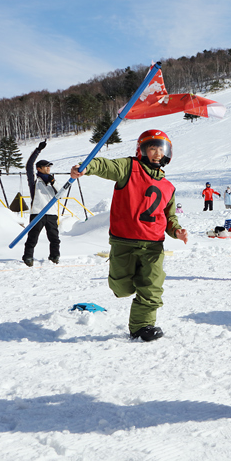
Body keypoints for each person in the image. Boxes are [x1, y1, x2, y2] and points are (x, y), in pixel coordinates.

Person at [69, 129, 187, 342]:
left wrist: (176, 231)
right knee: (121, 288)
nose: (157, 153)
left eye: (161, 149)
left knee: (151, 288)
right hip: (124, 241)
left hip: (153, 245)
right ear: (142, 150)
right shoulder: (129, 167)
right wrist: (87, 167)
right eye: (152, 148)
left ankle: (142, 327)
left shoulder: (169, 187)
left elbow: (169, 218)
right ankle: (128, 285)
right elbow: (106, 166)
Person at [22, 141, 61, 267]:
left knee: (54, 238)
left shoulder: (53, 182)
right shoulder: (35, 182)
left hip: (51, 214)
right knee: (32, 238)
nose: (48, 168)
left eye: (49, 166)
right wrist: (38, 150)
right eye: (45, 166)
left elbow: (62, 194)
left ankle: (54, 256)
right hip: (37, 213)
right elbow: (28, 166)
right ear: (39, 168)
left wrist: (53, 182)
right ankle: (28, 257)